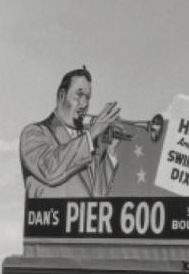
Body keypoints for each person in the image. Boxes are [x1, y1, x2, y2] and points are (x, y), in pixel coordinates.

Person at [20, 66, 122, 198]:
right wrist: (91, 134)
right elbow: (50, 171)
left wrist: (110, 151)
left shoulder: (85, 142)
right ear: (62, 96)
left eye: (87, 97)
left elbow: (97, 196)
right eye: (79, 95)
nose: (84, 104)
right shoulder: (33, 133)